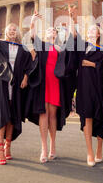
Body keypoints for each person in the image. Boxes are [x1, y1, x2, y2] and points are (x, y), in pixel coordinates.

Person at [25, 12, 76, 164]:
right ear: (46, 35)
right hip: (42, 83)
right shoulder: (42, 45)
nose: (51, 32)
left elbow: (72, 38)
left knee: (52, 116)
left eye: (54, 31)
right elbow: (32, 34)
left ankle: (53, 146)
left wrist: (71, 21)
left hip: (55, 83)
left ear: (56, 34)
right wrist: (33, 20)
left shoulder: (60, 48)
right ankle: (44, 148)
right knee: (43, 114)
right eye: (49, 31)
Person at [0, 11, 34, 166]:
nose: (12, 32)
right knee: (2, 116)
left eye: (15, 30)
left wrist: (26, 77)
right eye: (10, 30)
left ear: (17, 33)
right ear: (6, 32)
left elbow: (30, 64)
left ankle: (8, 146)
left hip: (16, 86)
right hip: (1, 84)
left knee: (12, 116)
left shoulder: (22, 48)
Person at [68, 7, 103, 167]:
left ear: (99, 34)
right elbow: (74, 36)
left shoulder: (102, 50)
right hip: (83, 88)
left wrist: (92, 64)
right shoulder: (83, 47)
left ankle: (99, 149)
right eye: (90, 30)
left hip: (99, 89)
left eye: (95, 30)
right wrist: (73, 19)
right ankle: (89, 152)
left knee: (99, 119)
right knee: (86, 117)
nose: (91, 32)